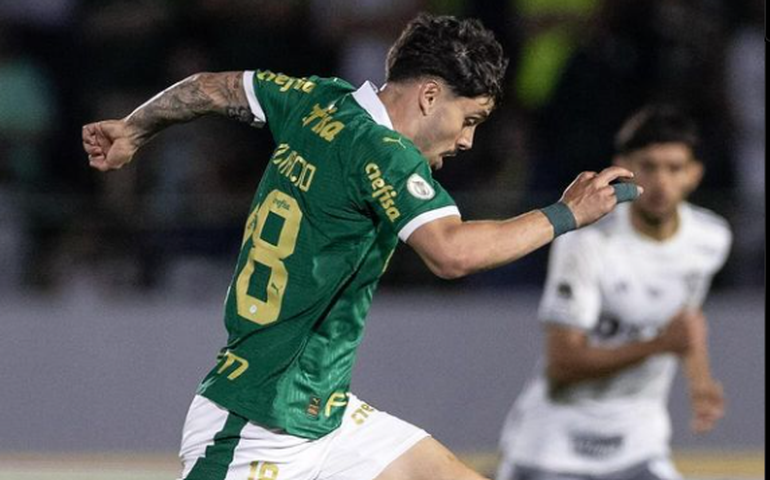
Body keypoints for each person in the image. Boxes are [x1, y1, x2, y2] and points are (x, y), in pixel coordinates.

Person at [82, 13, 639, 480]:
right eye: (469, 119)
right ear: (428, 96)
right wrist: (568, 214)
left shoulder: (318, 101)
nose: (468, 140)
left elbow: (212, 87)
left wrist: (134, 128)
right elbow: (453, 253)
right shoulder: (383, 153)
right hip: (256, 425)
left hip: (320, 412)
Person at [496, 106, 732, 480]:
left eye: (674, 168)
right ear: (624, 167)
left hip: (638, 443)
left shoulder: (711, 238)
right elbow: (562, 364)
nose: (661, 182)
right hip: (555, 447)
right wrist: (660, 345)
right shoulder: (587, 245)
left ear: (694, 174)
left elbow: (684, 321)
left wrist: (699, 381)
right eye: (649, 166)